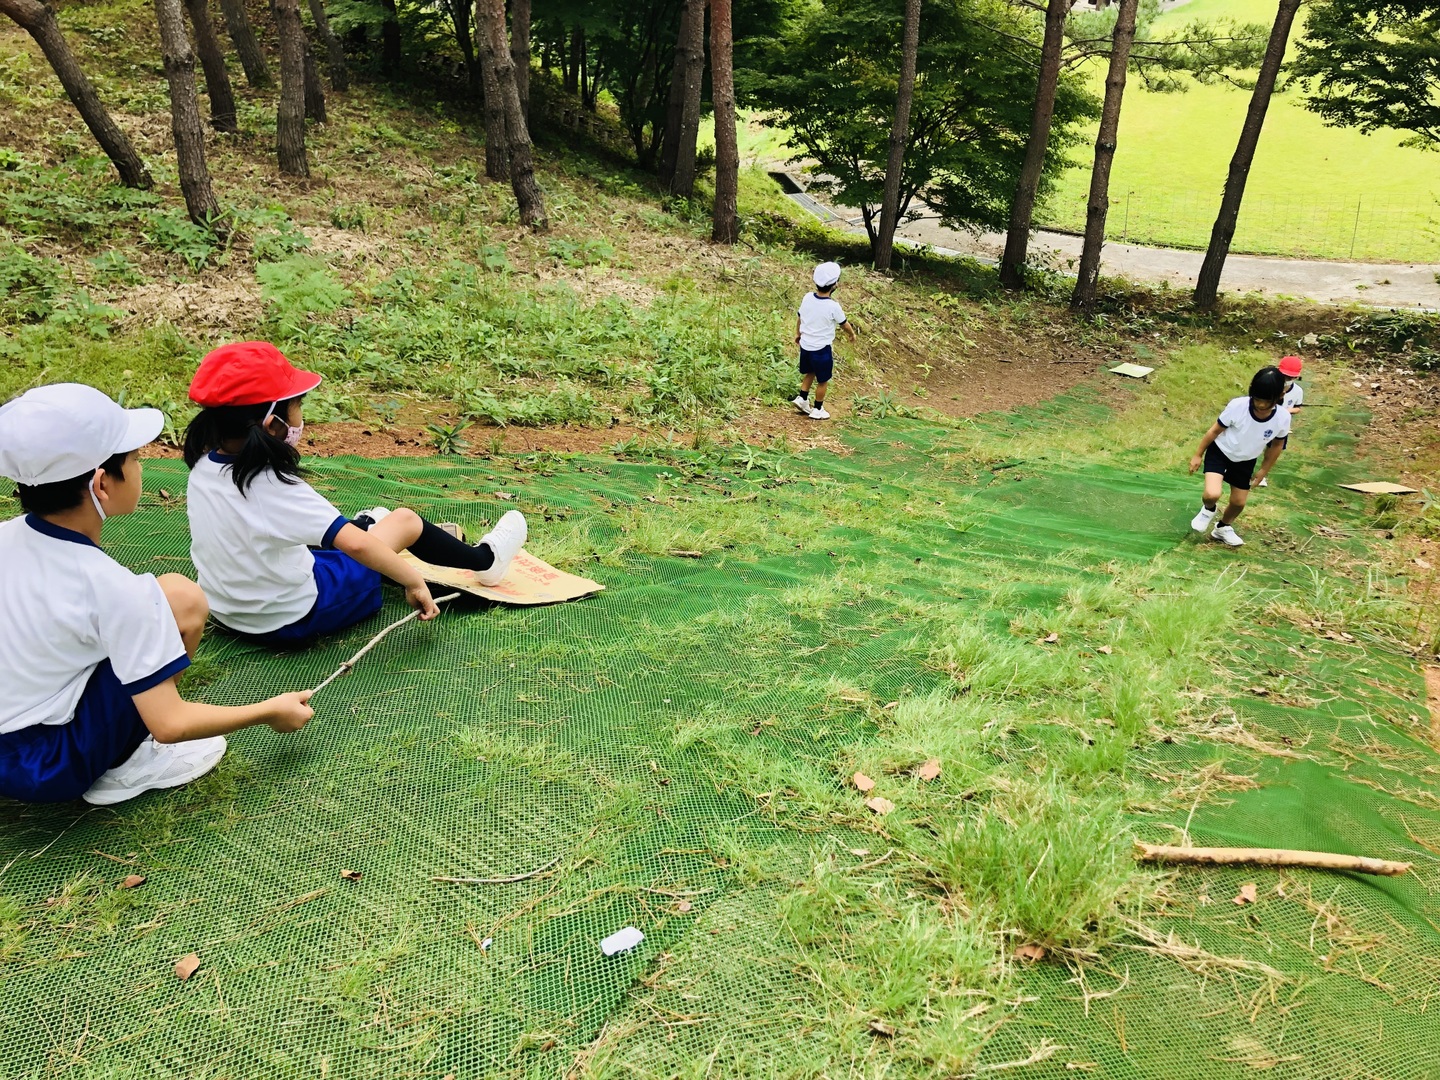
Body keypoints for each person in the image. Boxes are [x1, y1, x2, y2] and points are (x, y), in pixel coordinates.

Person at [0, 384, 315, 805]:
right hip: (50, 766)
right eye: (133, 459)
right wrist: (270, 711)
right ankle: (128, 763)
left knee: (172, 597)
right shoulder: (113, 588)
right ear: (101, 484)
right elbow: (171, 722)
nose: (141, 467)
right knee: (181, 599)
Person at [182, 341, 527, 644]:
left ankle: (368, 522)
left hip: (228, 611)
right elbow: (358, 546)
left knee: (346, 534)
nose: (301, 417)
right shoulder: (277, 488)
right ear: (274, 425)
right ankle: (486, 561)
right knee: (404, 522)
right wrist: (411, 580)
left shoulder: (202, 467)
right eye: (298, 406)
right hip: (296, 616)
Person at [1188, 366, 1292, 548]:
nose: (1260, 405)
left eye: (1266, 401)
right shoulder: (1238, 406)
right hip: (1220, 452)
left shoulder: (1282, 418)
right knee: (1212, 494)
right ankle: (1208, 510)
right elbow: (1214, 430)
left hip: (1246, 460)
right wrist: (1198, 454)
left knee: (1238, 502)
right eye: (1257, 399)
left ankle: (1222, 528)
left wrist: (1263, 471)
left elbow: (1276, 445)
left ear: (1280, 396)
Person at [791, 261, 857, 421]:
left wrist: (798, 334)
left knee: (810, 372)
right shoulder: (833, 306)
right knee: (823, 380)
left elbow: (800, 318)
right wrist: (852, 334)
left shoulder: (807, 298)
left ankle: (802, 398)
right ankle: (818, 409)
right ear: (835, 285)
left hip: (806, 346)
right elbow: (844, 324)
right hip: (821, 350)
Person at [1258, 355, 1304, 487]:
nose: (1287, 380)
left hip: (1279, 425)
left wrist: (1285, 411)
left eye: (1291, 378)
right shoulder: (1269, 385)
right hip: (1263, 419)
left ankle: (1262, 475)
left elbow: (1298, 408)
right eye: (1285, 376)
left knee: (1272, 450)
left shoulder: (1297, 391)